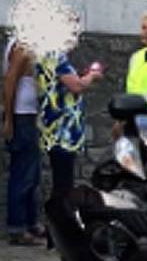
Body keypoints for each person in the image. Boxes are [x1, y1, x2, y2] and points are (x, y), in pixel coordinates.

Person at [37, 53, 102, 201]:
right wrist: (92, 75)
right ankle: (60, 220)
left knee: (62, 181)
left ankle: (59, 217)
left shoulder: (47, 55)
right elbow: (76, 86)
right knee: (63, 185)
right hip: (61, 132)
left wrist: (81, 75)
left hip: (56, 129)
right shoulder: (55, 56)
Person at [2, 39, 44, 245]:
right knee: (23, 173)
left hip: (27, 116)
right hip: (21, 117)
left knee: (32, 173)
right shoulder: (22, 46)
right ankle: (18, 227)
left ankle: (30, 222)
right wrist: (9, 118)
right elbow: (10, 80)